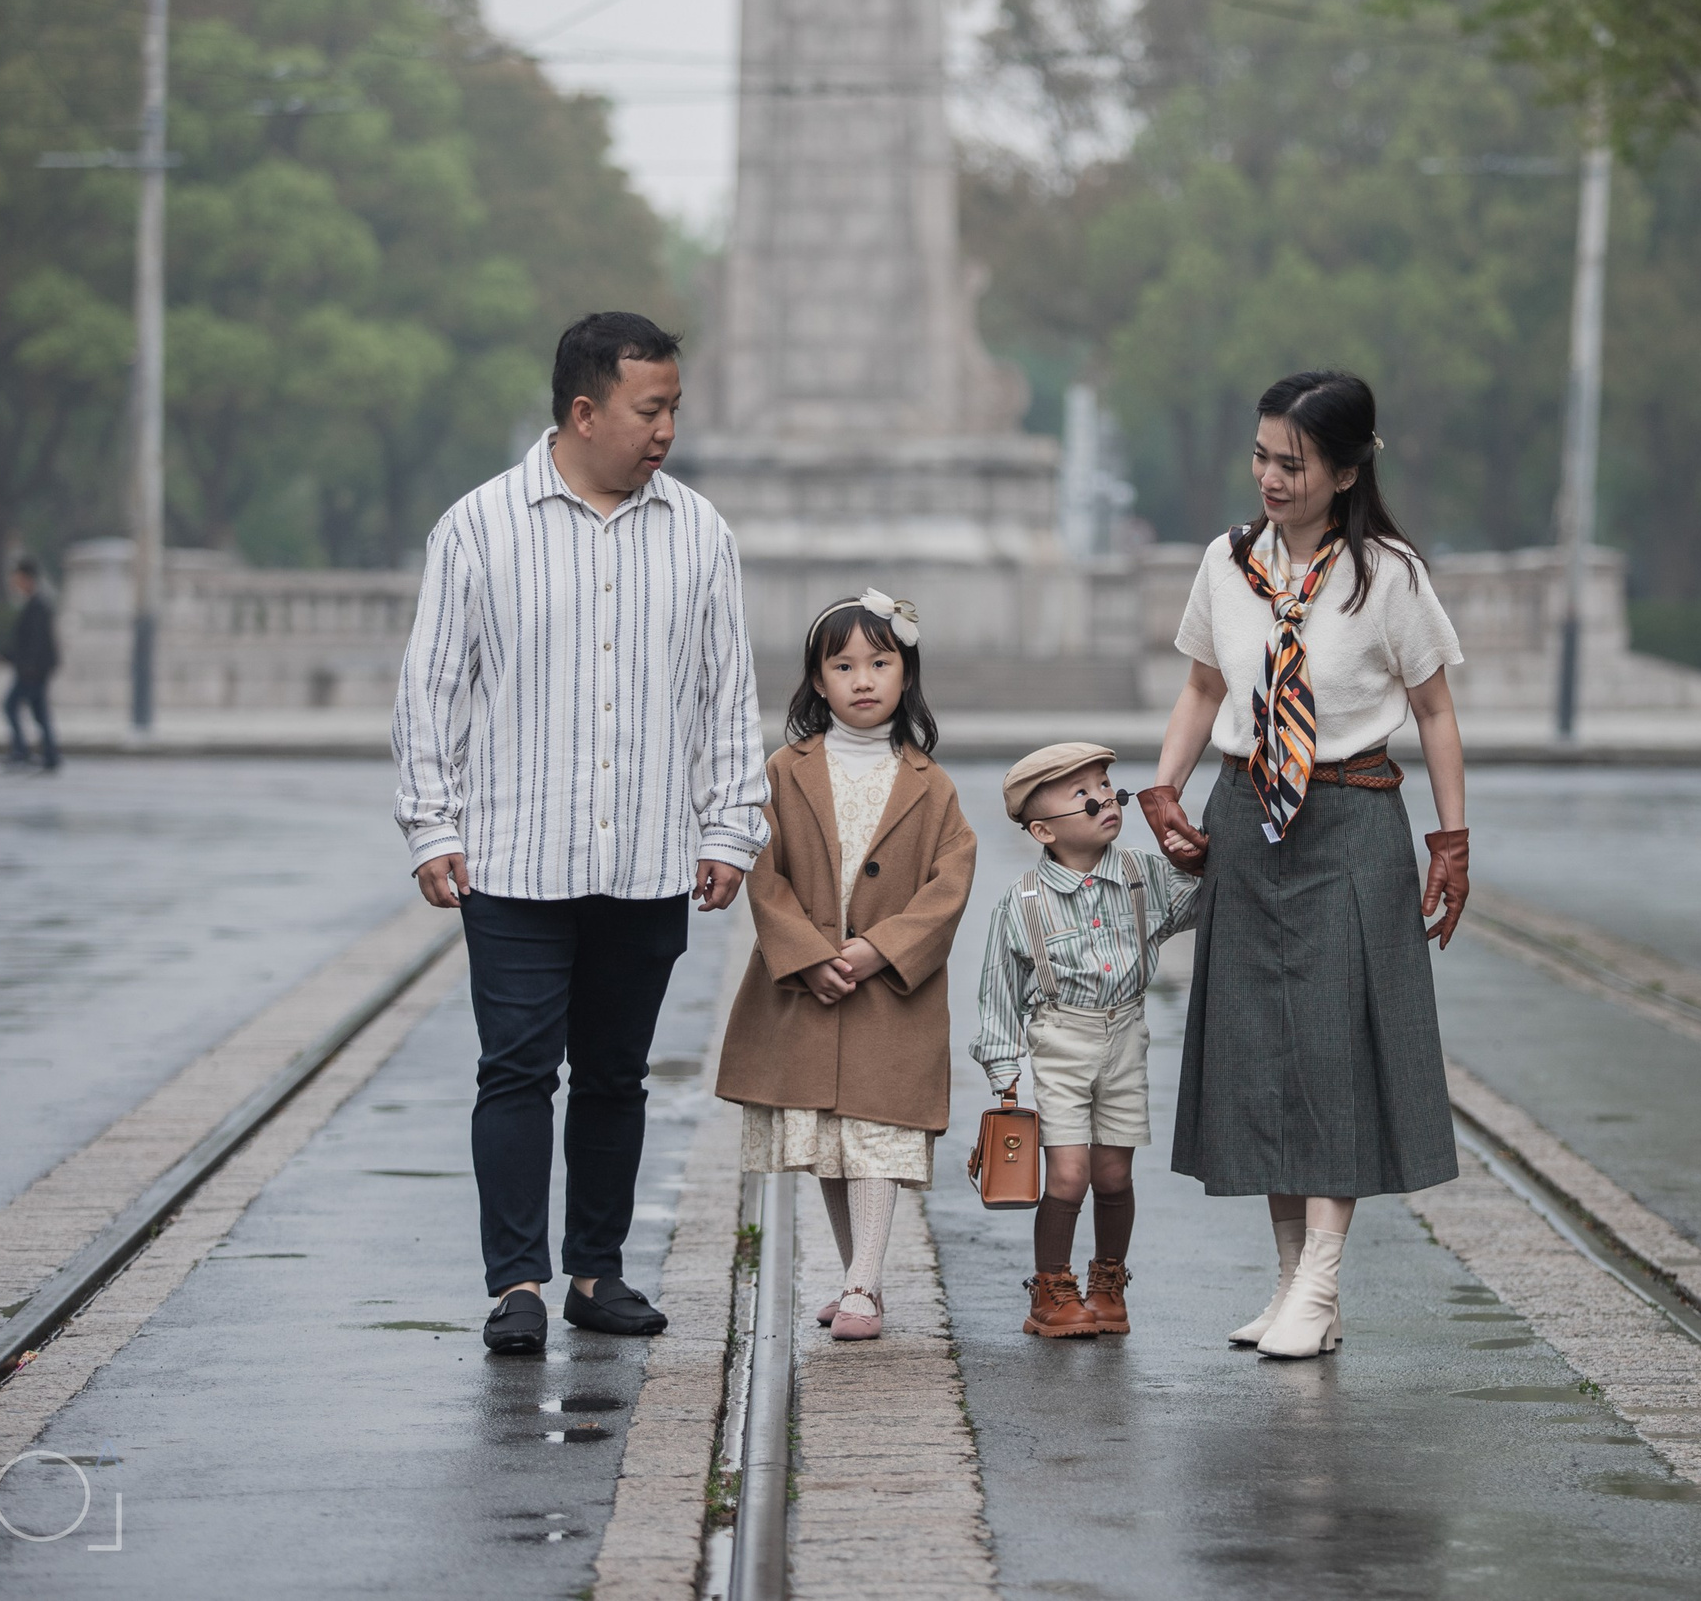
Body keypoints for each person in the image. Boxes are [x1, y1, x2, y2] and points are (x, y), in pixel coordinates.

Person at [392, 311, 768, 1357]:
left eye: (675, 408)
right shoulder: (478, 527)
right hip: (515, 857)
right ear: (584, 411)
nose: (668, 430)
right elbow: (432, 687)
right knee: (516, 1070)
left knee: (615, 1074)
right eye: (651, 410)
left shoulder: (699, 532)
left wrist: (730, 829)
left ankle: (597, 1272)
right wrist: (431, 823)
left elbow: (726, 694)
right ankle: (515, 1282)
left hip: (646, 856)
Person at [1139, 368, 1472, 1360]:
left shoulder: (1387, 576)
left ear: (1346, 470)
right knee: (1261, 1050)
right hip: (1246, 818)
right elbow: (1203, 688)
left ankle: (1321, 1283)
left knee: (1331, 1051)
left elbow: (1435, 710)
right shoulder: (1227, 563)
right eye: (1261, 456)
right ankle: (1290, 1285)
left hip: (1351, 817)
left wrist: (1451, 839)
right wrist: (1164, 790)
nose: (1271, 478)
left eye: (1294, 462)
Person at [716, 591, 977, 1343]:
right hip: (810, 992)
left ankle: (863, 1282)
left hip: (891, 994)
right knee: (832, 1140)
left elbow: (951, 881)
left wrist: (880, 948)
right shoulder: (784, 770)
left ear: (906, 674)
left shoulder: (930, 783)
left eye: (880, 663)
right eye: (843, 665)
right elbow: (764, 870)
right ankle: (858, 1278)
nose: (863, 679)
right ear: (817, 680)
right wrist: (806, 955)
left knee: (878, 1133)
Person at [973, 743, 1200, 1340]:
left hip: (1126, 1035)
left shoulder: (1142, 875)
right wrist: (1003, 1068)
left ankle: (1108, 1285)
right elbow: (998, 987)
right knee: (1069, 1175)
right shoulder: (1022, 901)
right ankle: (1050, 1289)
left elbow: (1200, 905)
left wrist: (1199, 861)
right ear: (1043, 830)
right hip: (1061, 1039)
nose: (1105, 798)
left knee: (1114, 1174)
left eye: (1104, 784)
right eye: (1083, 795)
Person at [0, 556, 60, 773]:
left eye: (18, 579)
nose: (15, 584)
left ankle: (22, 750)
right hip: (33, 669)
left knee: (11, 706)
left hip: (32, 671)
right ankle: (49, 755)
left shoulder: (38, 606)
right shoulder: (34, 604)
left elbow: (37, 642)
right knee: (39, 712)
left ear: (27, 579)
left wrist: (29, 666)